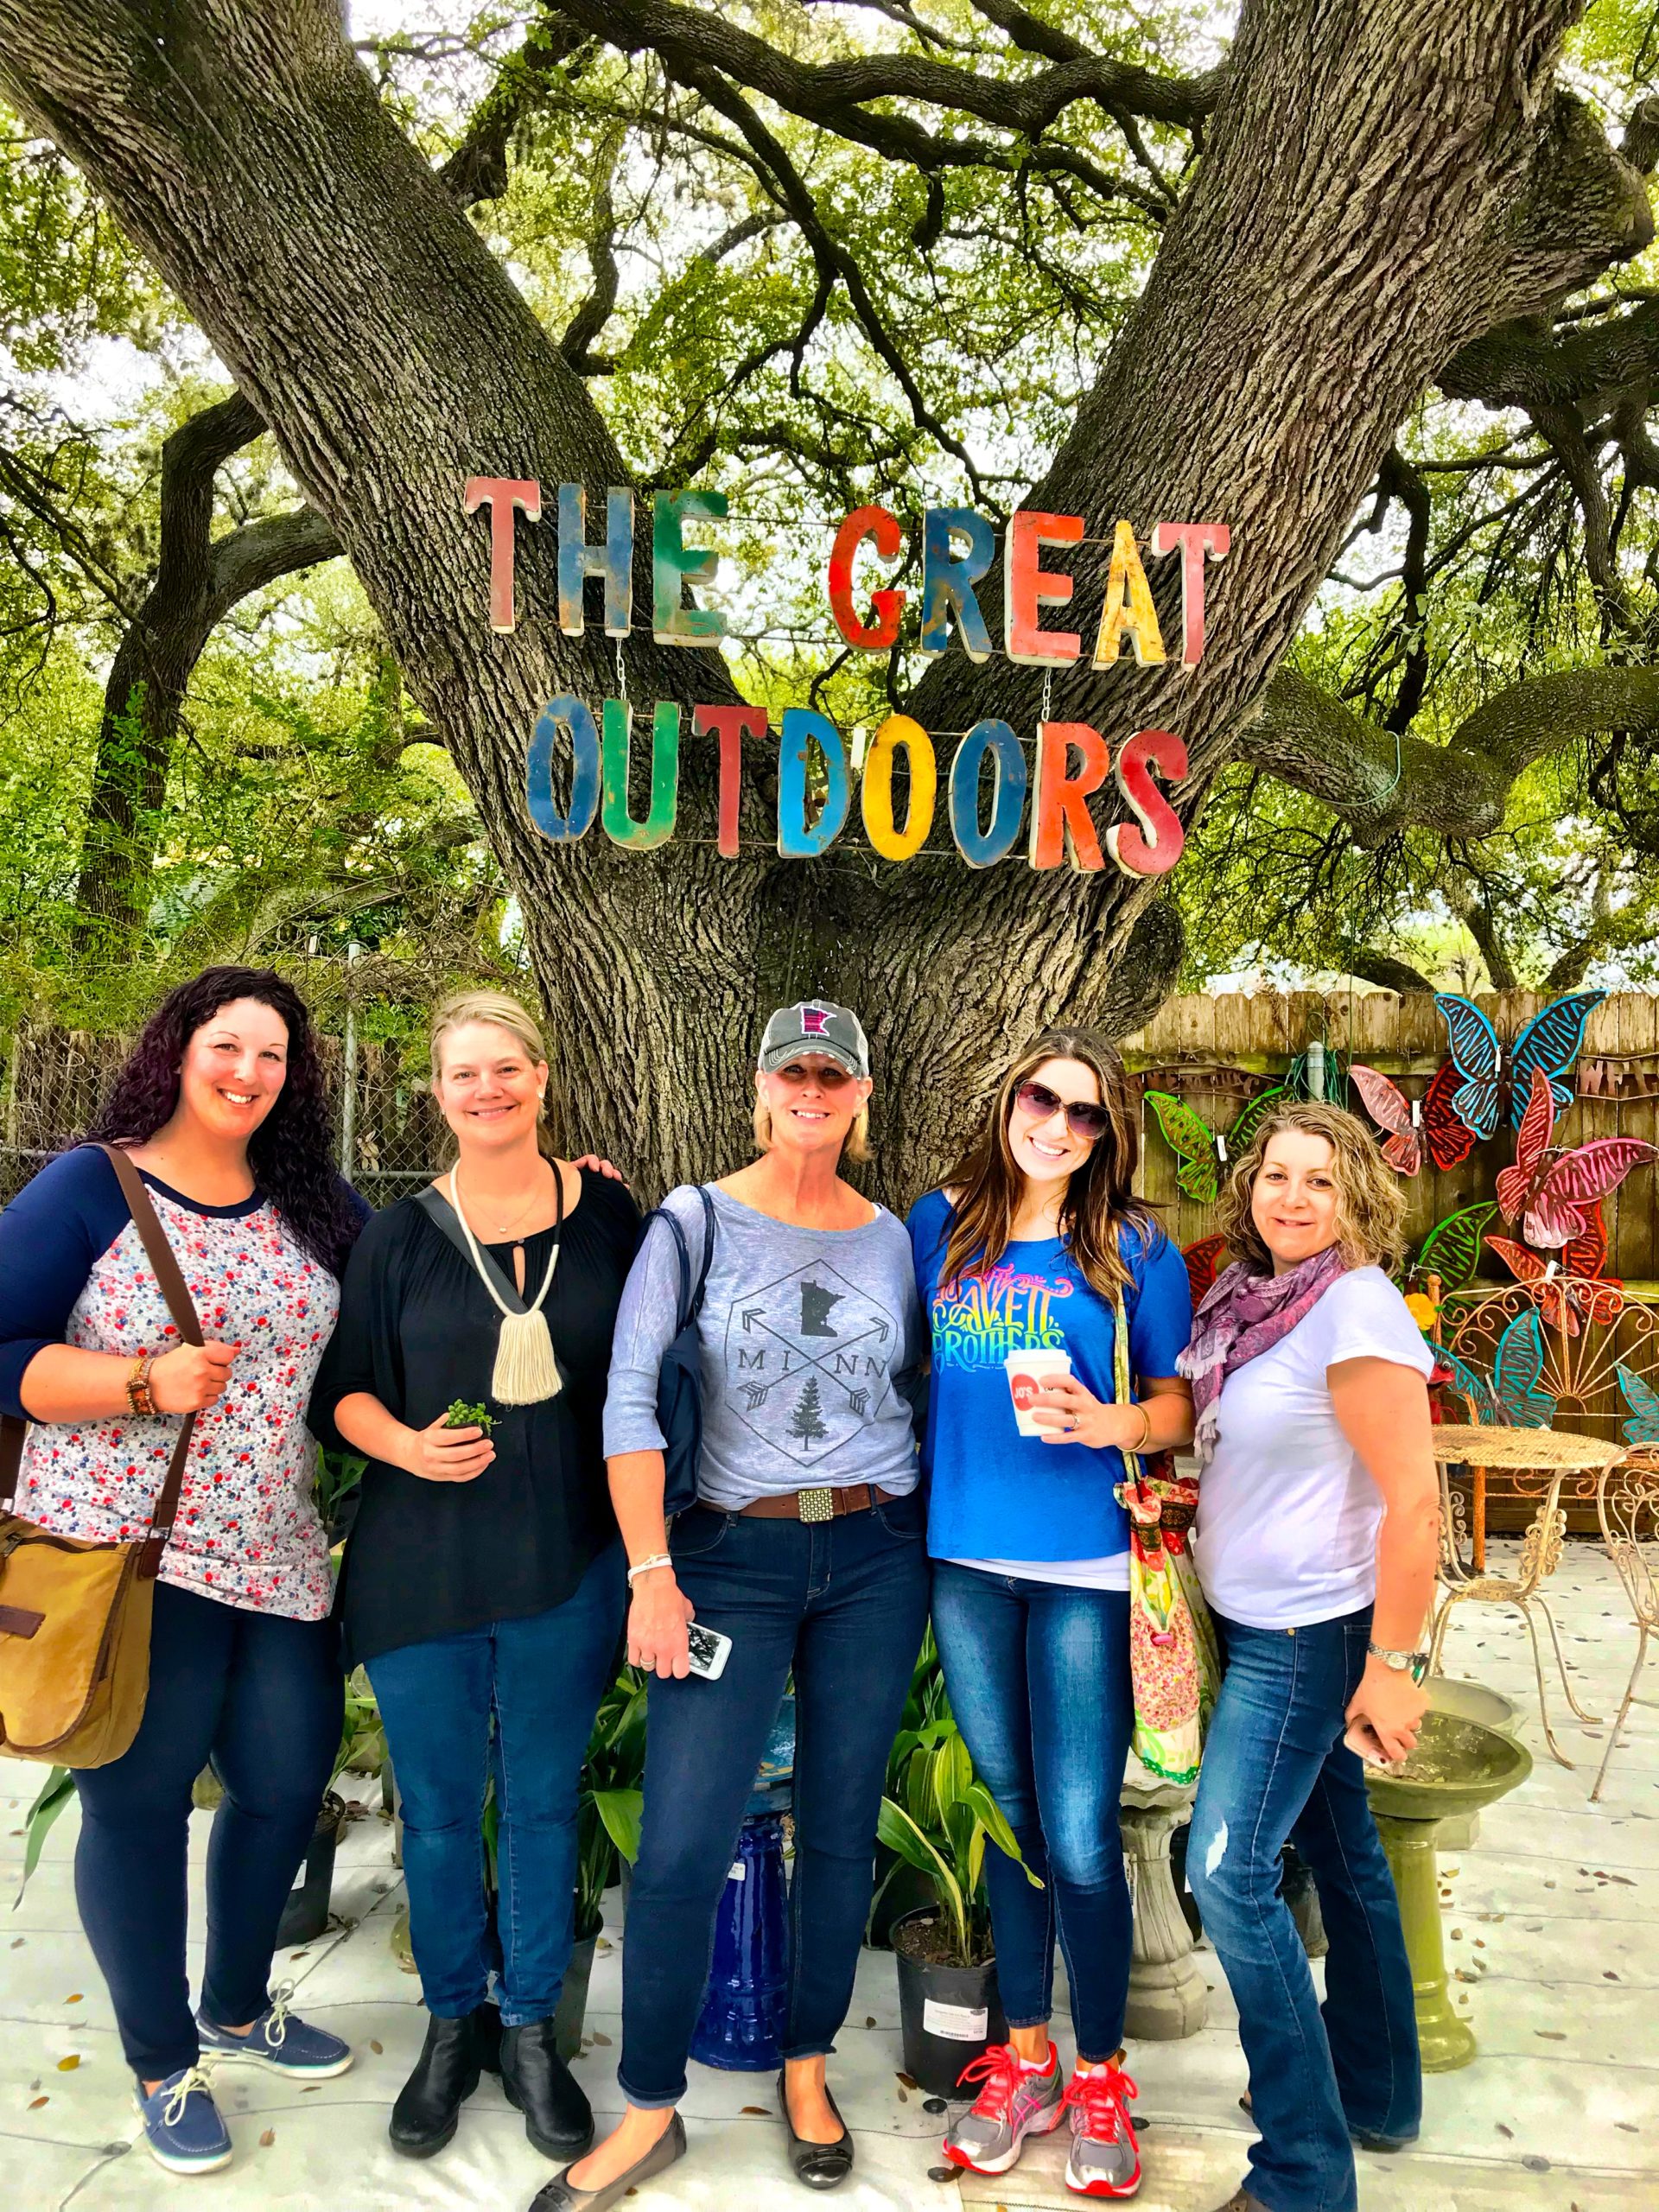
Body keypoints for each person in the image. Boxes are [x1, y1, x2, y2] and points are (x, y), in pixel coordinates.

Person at [540, 1001, 930, 2212]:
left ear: (861, 1097)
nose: (812, 1088)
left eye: (834, 1072)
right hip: (730, 1567)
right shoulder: (693, 1222)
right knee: (680, 1845)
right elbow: (626, 1408)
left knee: (840, 1826)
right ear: (759, 1090)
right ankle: (651, 2107)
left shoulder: (895, 1241)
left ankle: (807, 2067)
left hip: (873, 1555)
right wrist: (652, 1572)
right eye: (792, 1070)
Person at [0, 968, 366, 2177]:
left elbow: (424, 1280)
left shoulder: (314, 1202)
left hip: (273, 1550)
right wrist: (138, 1383)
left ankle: (237, 2004)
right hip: (131, 1561)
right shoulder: (88, 1188)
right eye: (228, 1045)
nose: (248, 1072)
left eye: (272, 1055)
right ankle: (162, 2061)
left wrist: (578, 1198)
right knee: (141, 1805)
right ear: (178, 1049)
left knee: (280, 1781)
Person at [310, 988, 640, 2166]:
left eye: (508, 1069)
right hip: (421, 1575)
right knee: (443, 1817)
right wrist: (400, 1444)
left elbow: (652, 1377)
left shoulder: (608, 1215)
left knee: (544, 1810)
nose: (488, 1089)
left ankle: (531, 2034)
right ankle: (451, 2028)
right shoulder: (397, 1239)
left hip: (566, 1562)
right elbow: (340, 1389)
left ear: (543, 1079)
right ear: (437, 1093)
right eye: (464, 1074)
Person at [907, 1029, 1193, 2199]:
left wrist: (1111, 1422)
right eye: (1045, 1101)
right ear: (1008, 1101)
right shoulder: (938, 1226)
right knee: (1015, 1825)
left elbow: (1178, 1405)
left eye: (1086, 1116)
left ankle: (1102, 2076)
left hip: (1084, 1567)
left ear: (1108, 1137)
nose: (1059, 1127)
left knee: (1078, 1836)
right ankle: (1022, 2062)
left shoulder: (1134, 1249)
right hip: (962, 1561)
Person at [1179, 1103, 1438, 2212]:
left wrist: (1392, 1659)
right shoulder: (1248, 1304)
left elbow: (1415, 1500)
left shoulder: (1354, 1306)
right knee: (1345, 1857)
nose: (1292, 1196)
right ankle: (1375, 2093)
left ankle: (1301, 2173)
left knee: (1227, 1878)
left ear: (1357, 1198)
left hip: (1309, 1637)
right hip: (1261, 1624)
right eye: (1276, 1175)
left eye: (1319, 1181)